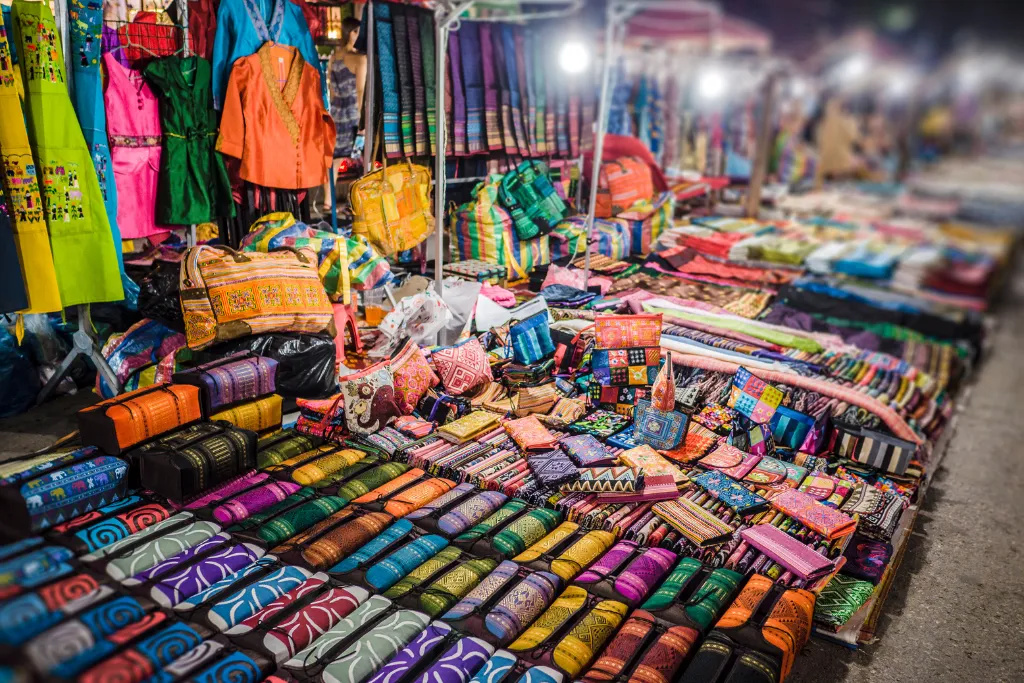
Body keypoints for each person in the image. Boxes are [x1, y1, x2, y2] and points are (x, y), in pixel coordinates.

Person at [321, 17, 366, 217]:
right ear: (350, 33)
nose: (359, 35)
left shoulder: (334, 57)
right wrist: (363, 121)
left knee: (335, 159)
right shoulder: (360, 59)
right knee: (362, 160)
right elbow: (361, 91)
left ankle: (328, 201)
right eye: (356, 31)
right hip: (354, 114)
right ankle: (360, 201)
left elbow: (331, 88)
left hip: (337, 113)